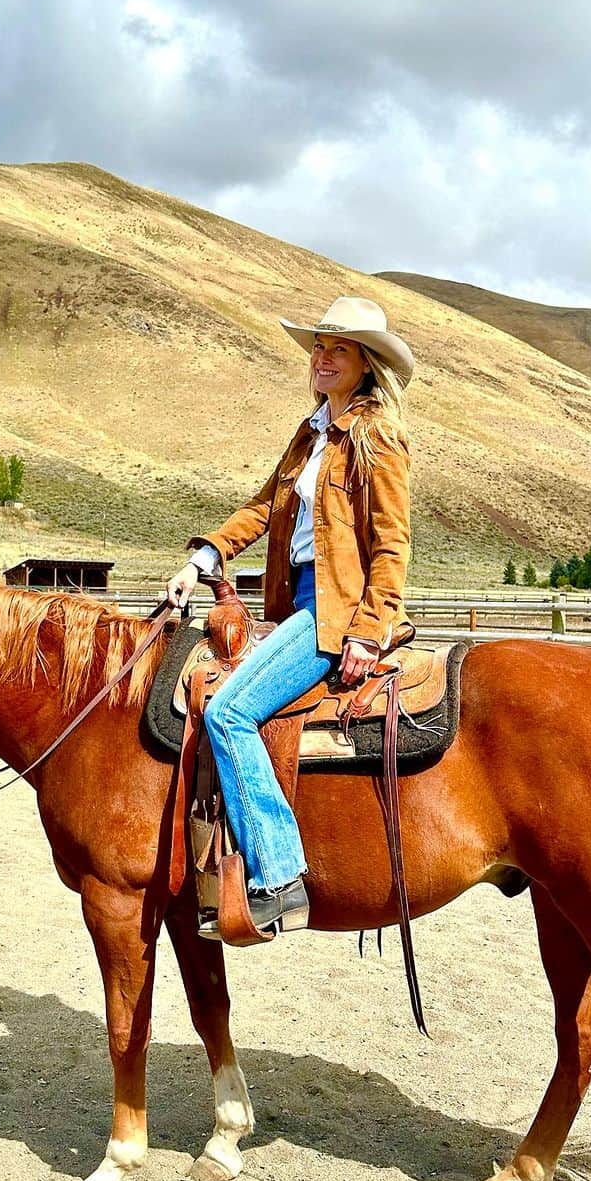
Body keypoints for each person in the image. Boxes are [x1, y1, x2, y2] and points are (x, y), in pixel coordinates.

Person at [166, 296, 415, 936]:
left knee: (228, 711)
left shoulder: (375, 435)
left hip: (334, 612)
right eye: (318, 346)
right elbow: (260, 510)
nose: (323, 358)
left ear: (365, 364)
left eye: (339, 349)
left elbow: (391, 544)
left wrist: (368, 628)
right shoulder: (310, 434)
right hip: (299, 601)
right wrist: (203, 558)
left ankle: (279, 876)